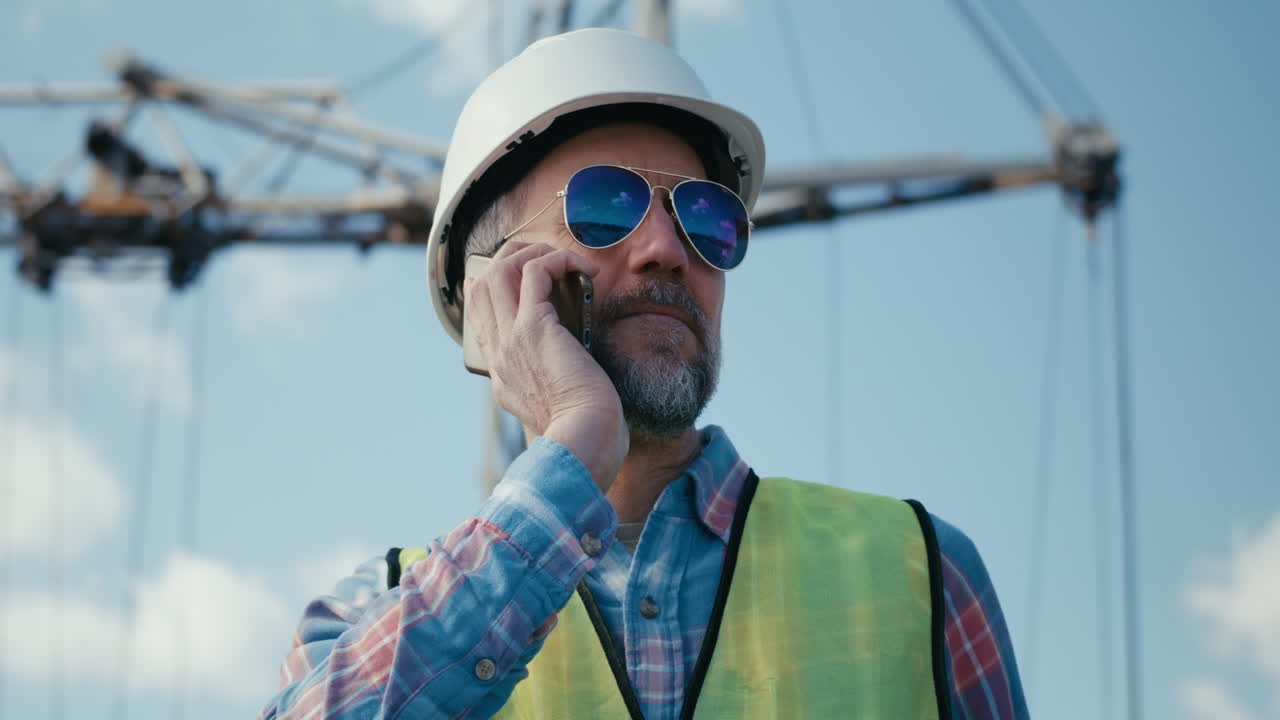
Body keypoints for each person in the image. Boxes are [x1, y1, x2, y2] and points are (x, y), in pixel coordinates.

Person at [259, 28, 1028, 720]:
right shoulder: (375, 609)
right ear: (491, 286)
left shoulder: (922, 574)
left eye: (706, 218)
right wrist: (572, 456)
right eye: (606, 204)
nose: (666, 246)